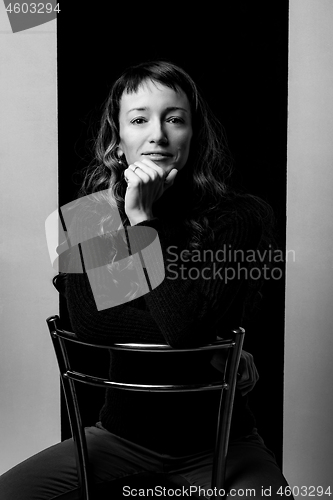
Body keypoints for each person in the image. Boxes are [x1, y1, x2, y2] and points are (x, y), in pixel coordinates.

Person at [0, 60, 292, 499]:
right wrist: (208, 348)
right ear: (118, 141)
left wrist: (142, 220)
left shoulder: (238, 217)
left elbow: (182, 325)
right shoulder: (89, 217)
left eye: (174, 118)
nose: (158, 133)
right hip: (120, 438)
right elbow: (96, 326)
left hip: (221, 443)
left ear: (194, 135)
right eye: (139, 120)